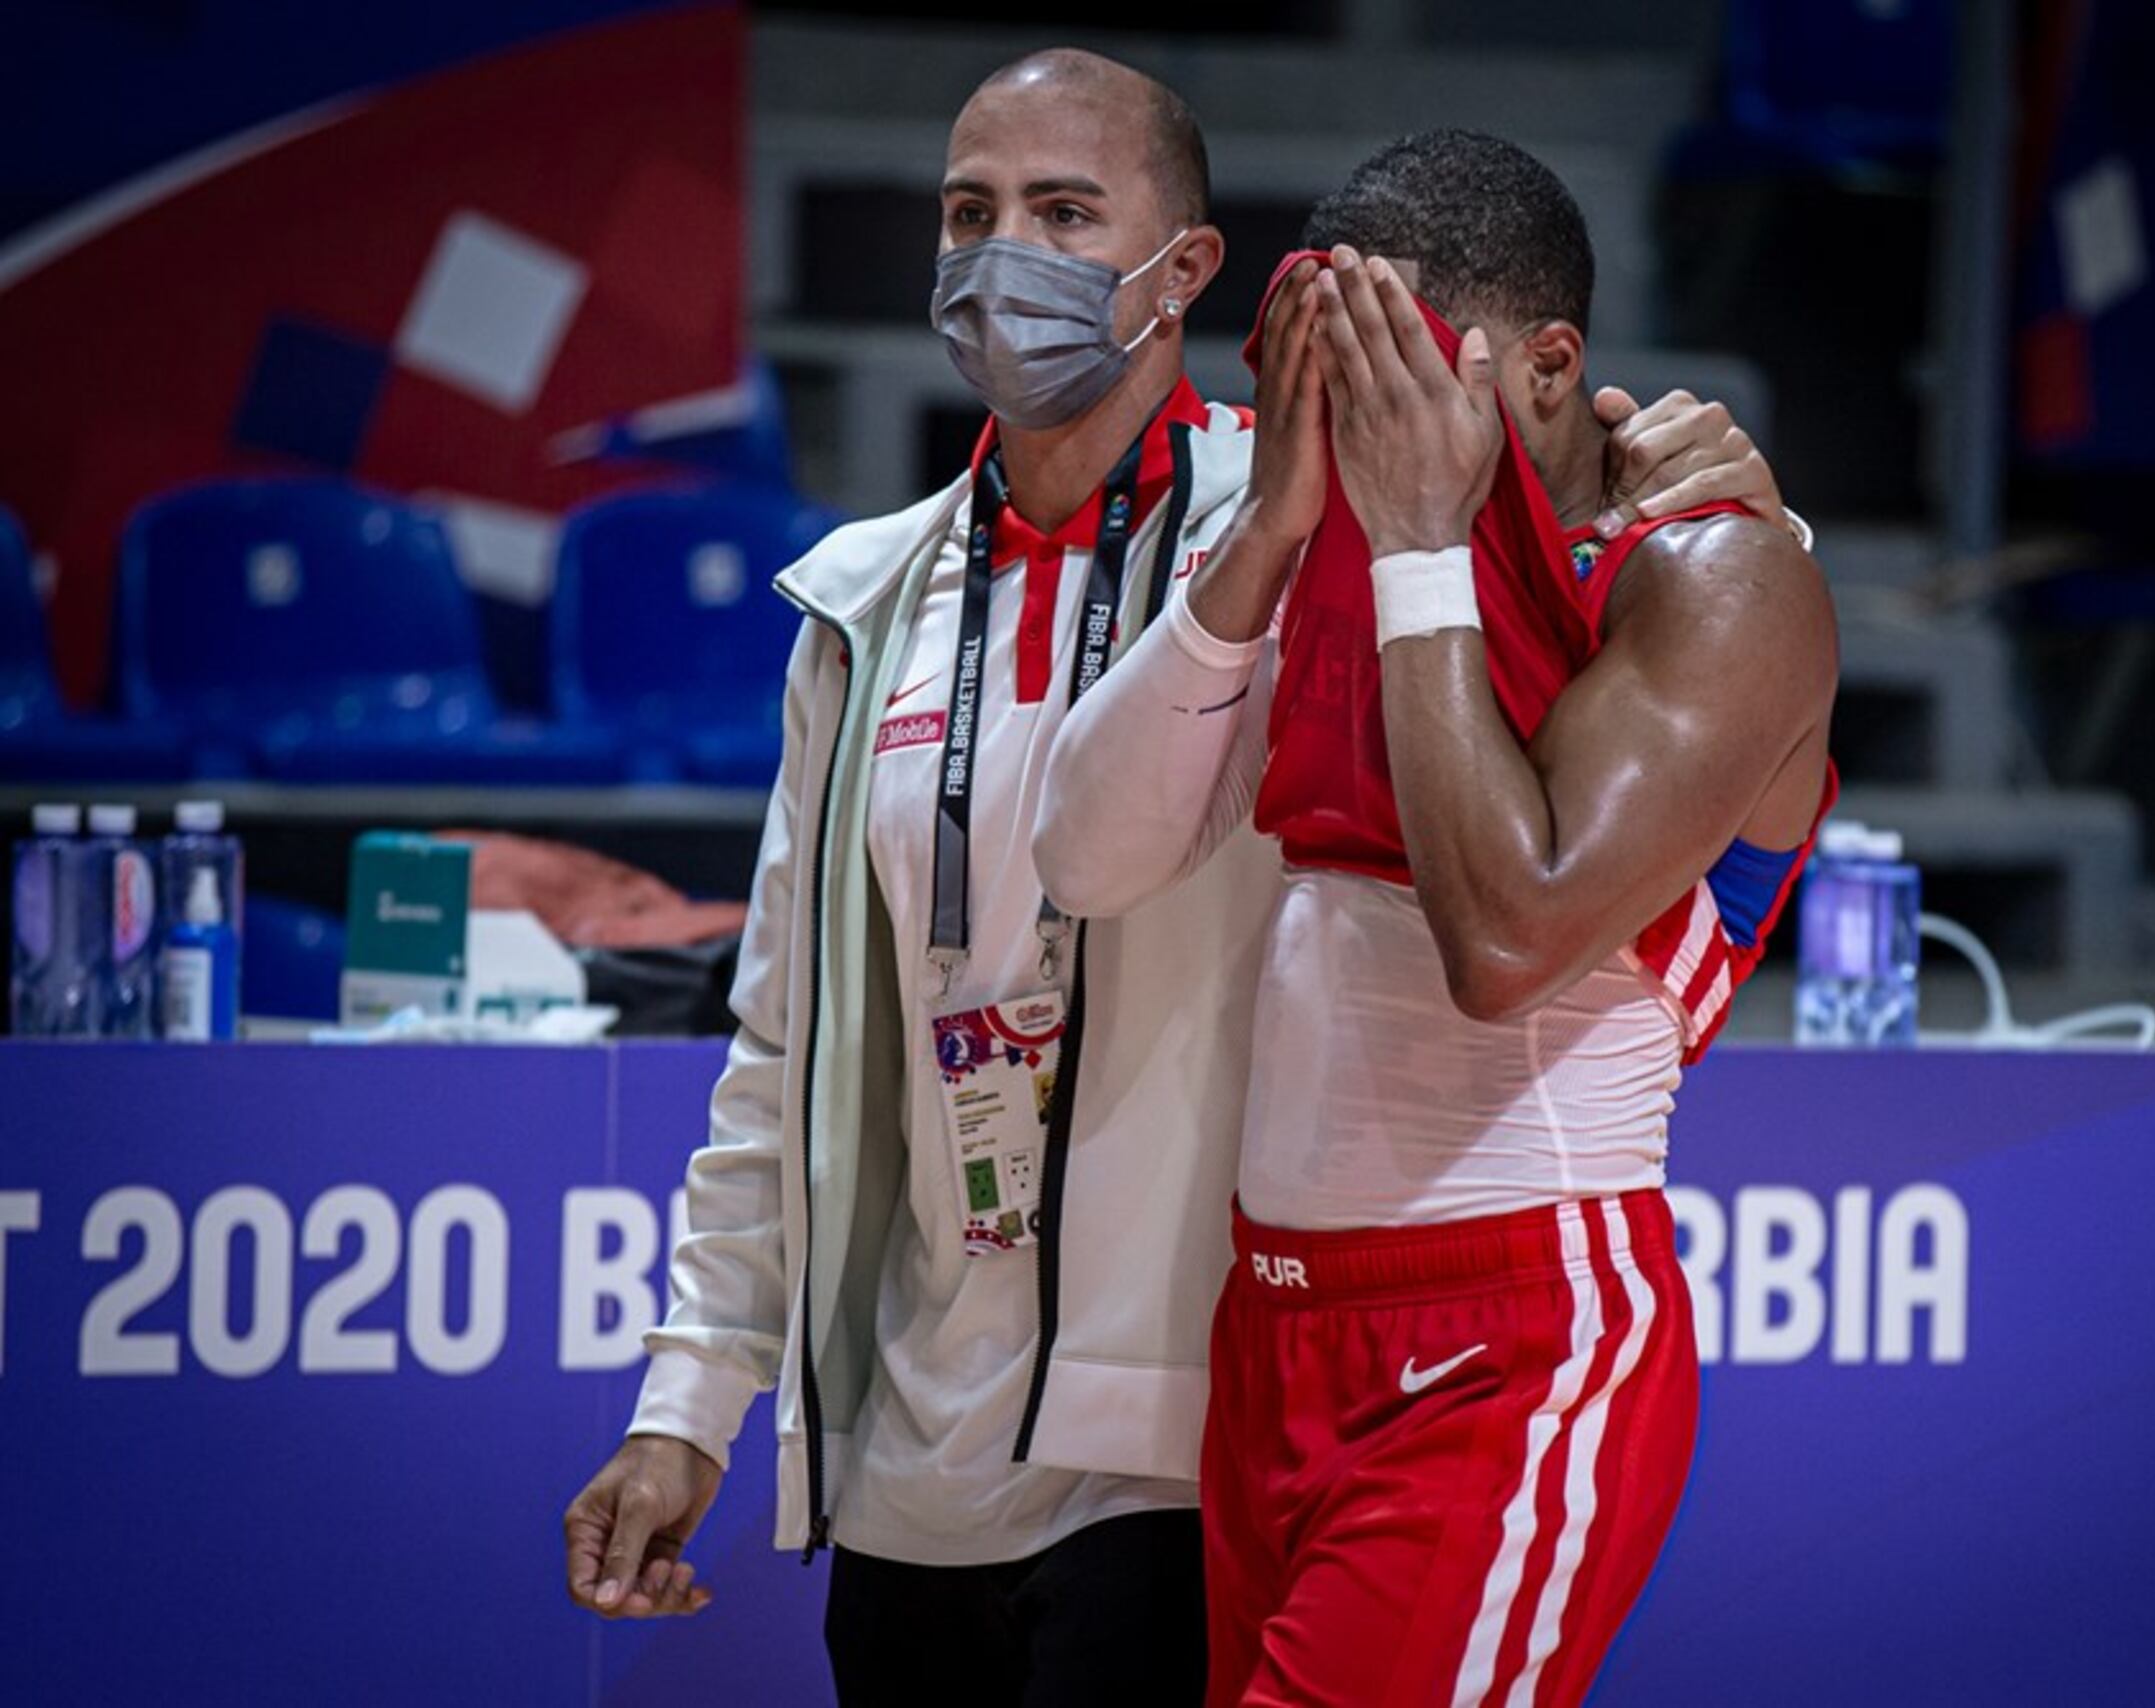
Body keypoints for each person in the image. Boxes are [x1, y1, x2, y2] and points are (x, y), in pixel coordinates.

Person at [559, 53, 1791, 1708]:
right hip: (936, 1443)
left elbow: (1568, 696)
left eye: (1066, 213)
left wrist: (1671, 485)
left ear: (1189, 273)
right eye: (969, 214)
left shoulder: (1353, 513)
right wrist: (691, 1396)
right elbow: (795, 1044)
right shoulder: (867, 602)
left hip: (1184, 1439)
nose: (1007, 259)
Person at [1035, 130, 1839, 1706]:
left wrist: (1412, 547)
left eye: (1410, 380)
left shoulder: (1720, 581)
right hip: (1274, 1335)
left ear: (1549, 367)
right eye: (1341, 379)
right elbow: (1090, 841)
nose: (1371, 429)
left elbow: (1510, 942)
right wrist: (1298, 520)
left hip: (1509, 1344)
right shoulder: (1339, 529)